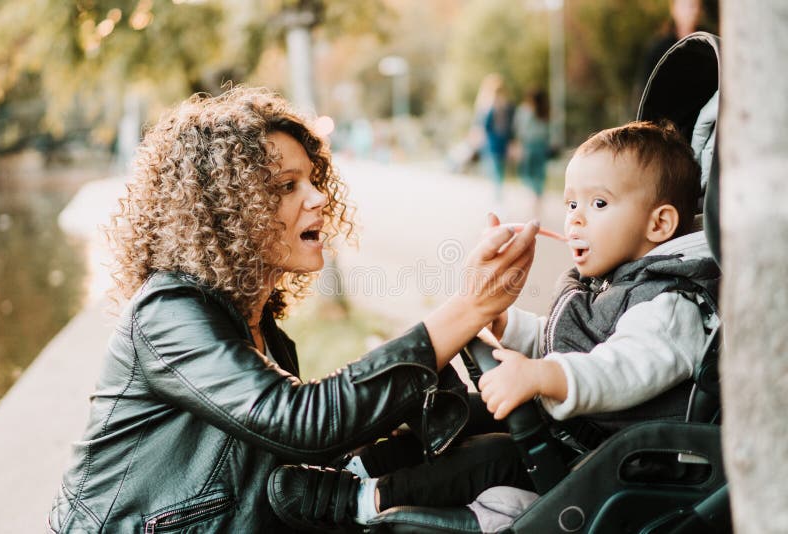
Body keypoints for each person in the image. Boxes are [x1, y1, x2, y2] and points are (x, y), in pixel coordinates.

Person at [46, 87, 540, 532]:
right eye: (287, 186)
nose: (319, 198)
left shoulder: (261, 327)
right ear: (227, 210)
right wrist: (468, 307)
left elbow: (301, 447)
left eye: (311, 179)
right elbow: (302, 422)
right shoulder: (168, 312)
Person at [270, 120, 720, 531]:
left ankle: (364, 501)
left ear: (660, 223)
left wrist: (543, 375)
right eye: (571, 204)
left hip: (613, 463)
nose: (576, 219)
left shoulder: (671, 303)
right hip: (581, 436)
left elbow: (621, 368)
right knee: (467, 411)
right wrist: (504, 323)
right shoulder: (615, 282)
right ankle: (363, 464)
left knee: (494, 455)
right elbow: (568, 337)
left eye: (598, 204)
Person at [476, 73, 515, 212]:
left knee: (497, 173)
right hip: (494, 144)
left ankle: (497, 201)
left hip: (497, 144)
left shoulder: (501, 106)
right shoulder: (493, 106)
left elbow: (509, 128)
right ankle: (497, 200)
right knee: (496, 173)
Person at [512, 88, 551, 219]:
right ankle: (537, 201)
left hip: (529, 146)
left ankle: (534, 200)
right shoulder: (545, 111)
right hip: (541, 146)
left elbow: (519, 129)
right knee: (538, 174)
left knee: (527, 174)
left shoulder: (524, 110)